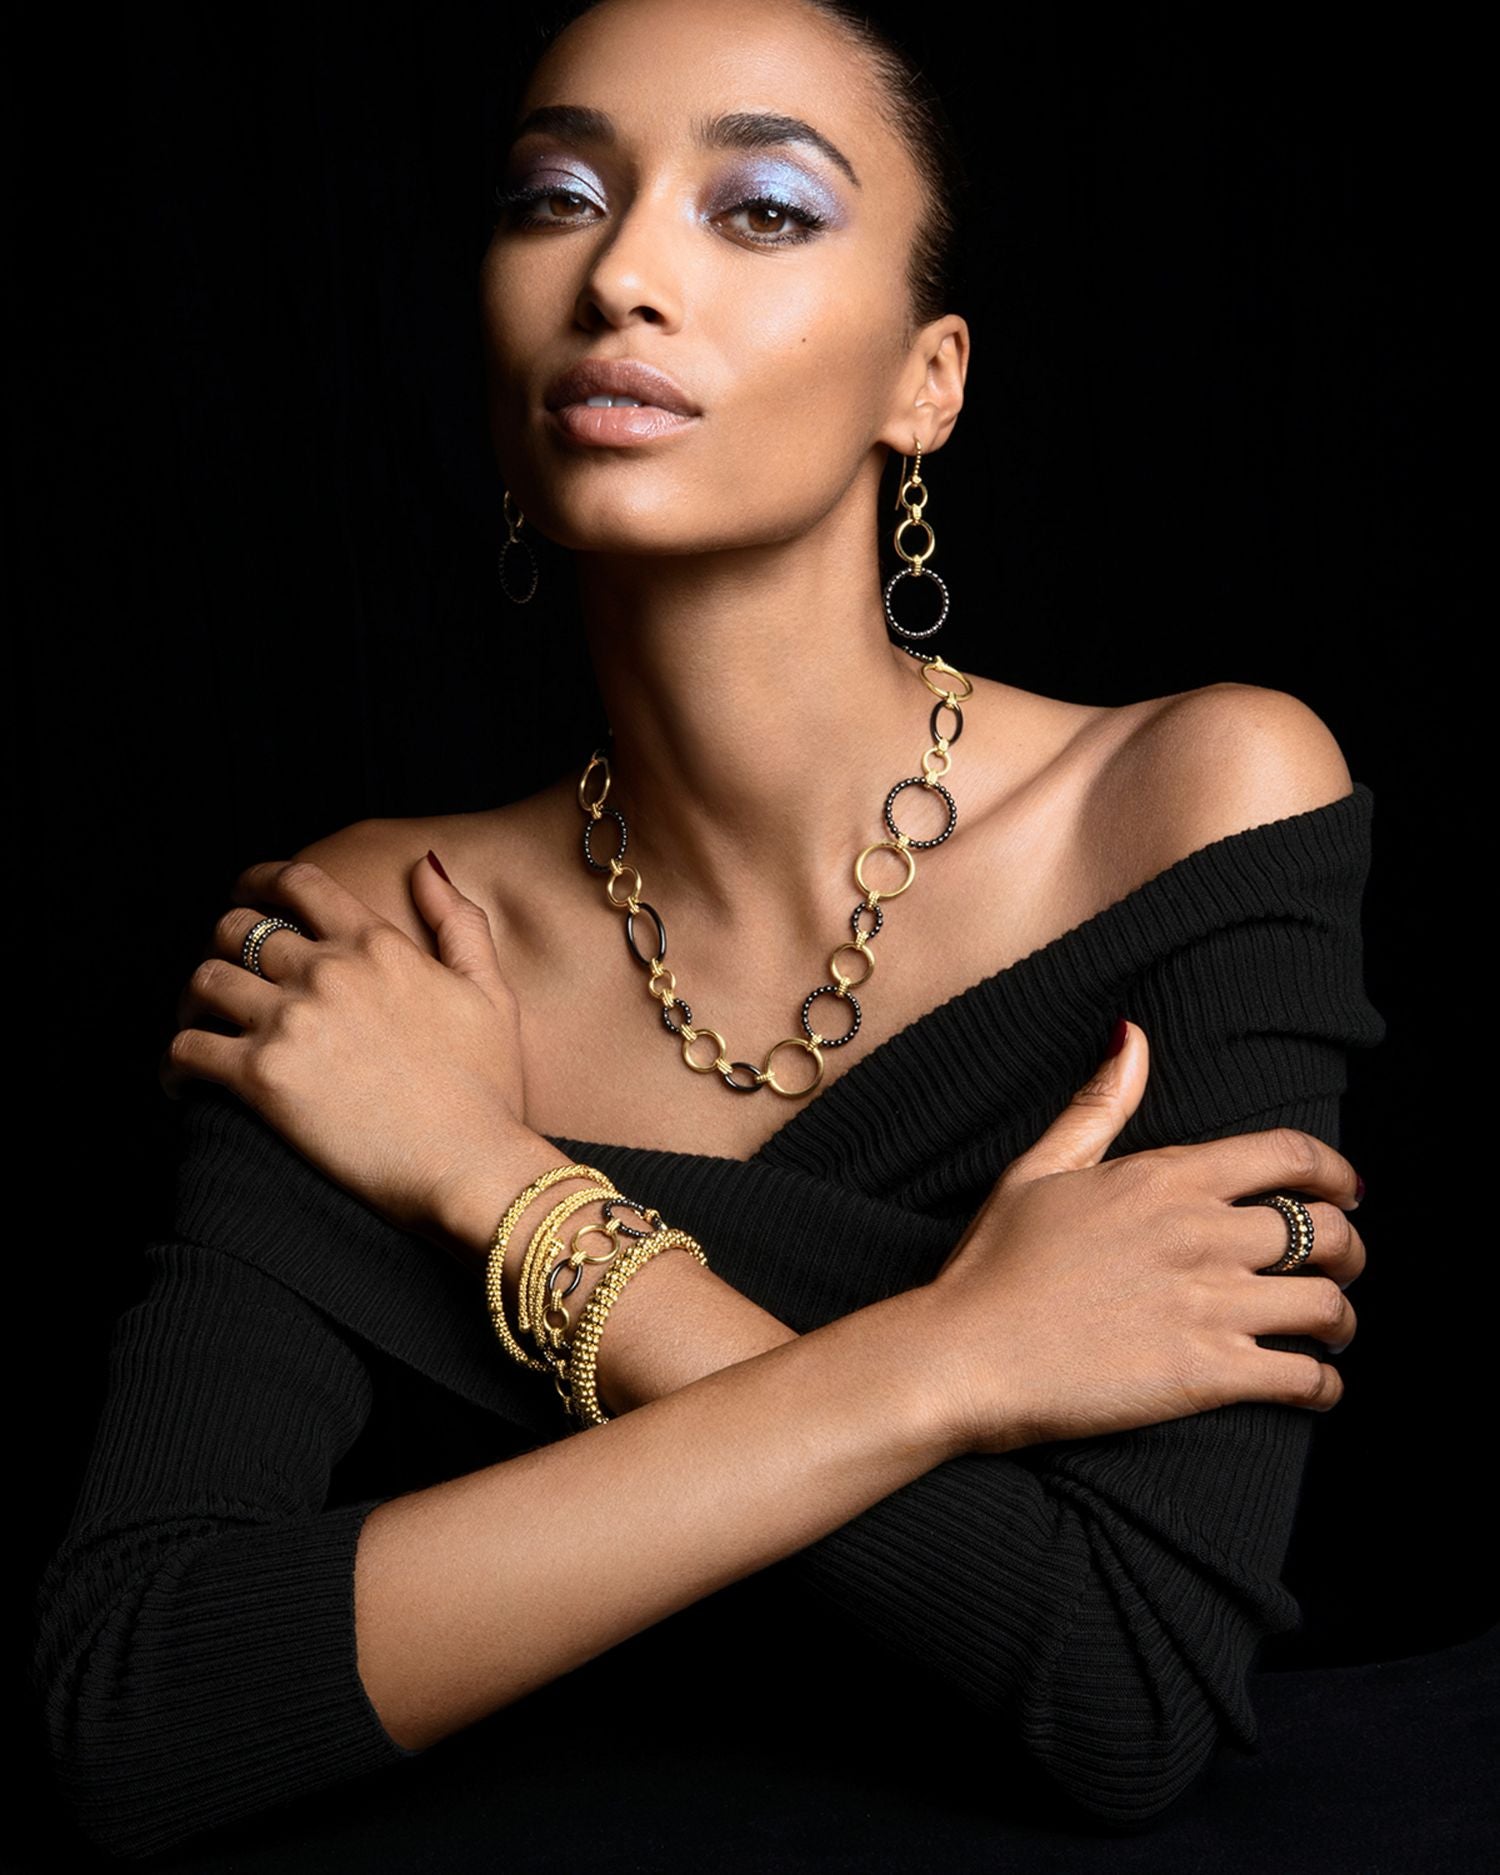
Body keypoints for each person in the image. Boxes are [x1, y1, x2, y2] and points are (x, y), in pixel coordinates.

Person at [30, 1, 1389, 1867]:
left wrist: (496, 1187)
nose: (619, 277)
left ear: (927, 383)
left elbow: (1124, 1686)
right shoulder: (374, 940)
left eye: (760, 209)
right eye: (557, 198)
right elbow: (139, 1704)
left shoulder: (1194, 801)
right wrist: (950, 1364)